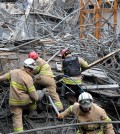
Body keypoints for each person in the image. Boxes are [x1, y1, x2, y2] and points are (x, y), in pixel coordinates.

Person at [0, 58, 46, 132]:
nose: (32, 71)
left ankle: (19, 132)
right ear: (29, 69)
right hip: (25, 101)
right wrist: (37, 99)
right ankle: (30, 112)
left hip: (14, 102)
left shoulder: (13, 72)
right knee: (36, 97)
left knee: (17, 118)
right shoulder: (28, 78)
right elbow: (33, 95)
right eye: (32, 69)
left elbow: (2, 78)